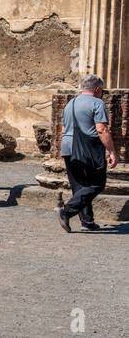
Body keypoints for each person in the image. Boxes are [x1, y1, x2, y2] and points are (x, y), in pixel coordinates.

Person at [57, 75, 118, 232]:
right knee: (97, 184)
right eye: (102, 90)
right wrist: (112, 152)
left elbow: (64, 129)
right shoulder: (97, 103)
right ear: (97, 89)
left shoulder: (70, 103)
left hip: (67, 147)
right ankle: (66, 211)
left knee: (79, 186)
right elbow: (101, 129)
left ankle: (87, 222)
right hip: (87, 149)